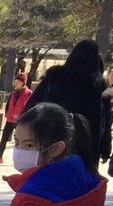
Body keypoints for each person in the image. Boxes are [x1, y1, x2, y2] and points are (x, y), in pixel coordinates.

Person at [25, 39, 105, 171]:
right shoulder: (94, 84)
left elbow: (32, 104)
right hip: (80, 141)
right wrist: (93, 159)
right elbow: (95, 123)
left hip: (49, 135)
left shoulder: (55, 75)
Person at [0, 72, 32, 163]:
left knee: (21, 140)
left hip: (21, 121)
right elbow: (8, 105)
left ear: (23, 82)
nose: (16, 83)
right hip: (10, 120)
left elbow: (30, 107)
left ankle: (22, 158)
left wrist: (22, 116)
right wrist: (7, 114)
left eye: (18, 82)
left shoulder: (29, 94)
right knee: (4, 138)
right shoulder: (13, 93)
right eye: (15, 81)